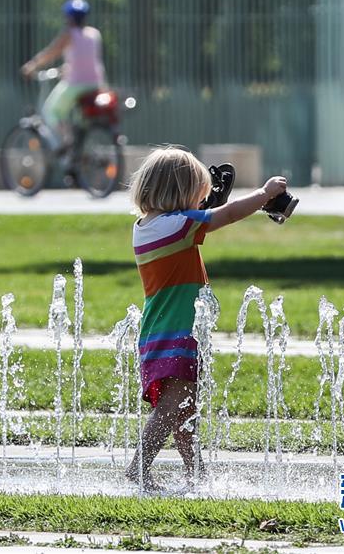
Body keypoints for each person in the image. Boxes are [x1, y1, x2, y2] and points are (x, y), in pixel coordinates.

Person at [126, 146, 288, 490]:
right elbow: (225, 215)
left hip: (159, 329)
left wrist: (202, 206)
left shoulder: (146, 226)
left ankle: (196, 475)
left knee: (184, 408)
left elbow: (199, 221)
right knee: (172, 406)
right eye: (198, 193)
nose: (202, 200)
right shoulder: (180, 225)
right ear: (180, 193)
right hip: (177, 331)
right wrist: (264, 194)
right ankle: (138, 469)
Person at [21, 0, 105, 144]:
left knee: (51, 111)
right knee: (80, 119)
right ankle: (78, 144)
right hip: (96, 83)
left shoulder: (69, 34)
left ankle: (67, 142)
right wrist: (65, 68)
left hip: (76, 84)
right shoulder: (94, 34)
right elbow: (86, 58)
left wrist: (31, 66)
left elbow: (51, 53)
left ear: (69, 17)